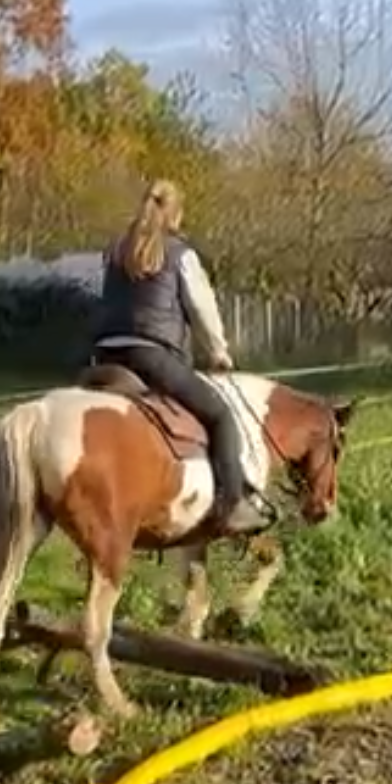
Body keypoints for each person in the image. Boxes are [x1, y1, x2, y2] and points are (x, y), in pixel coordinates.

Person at [90, 179, 272, 534]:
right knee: (221, 415)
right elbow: (202, 309)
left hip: (106, 355)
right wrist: (218, 351)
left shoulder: (115, 250)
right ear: (175, 214)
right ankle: (233, 506)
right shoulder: (180, 254)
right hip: (152, 355)